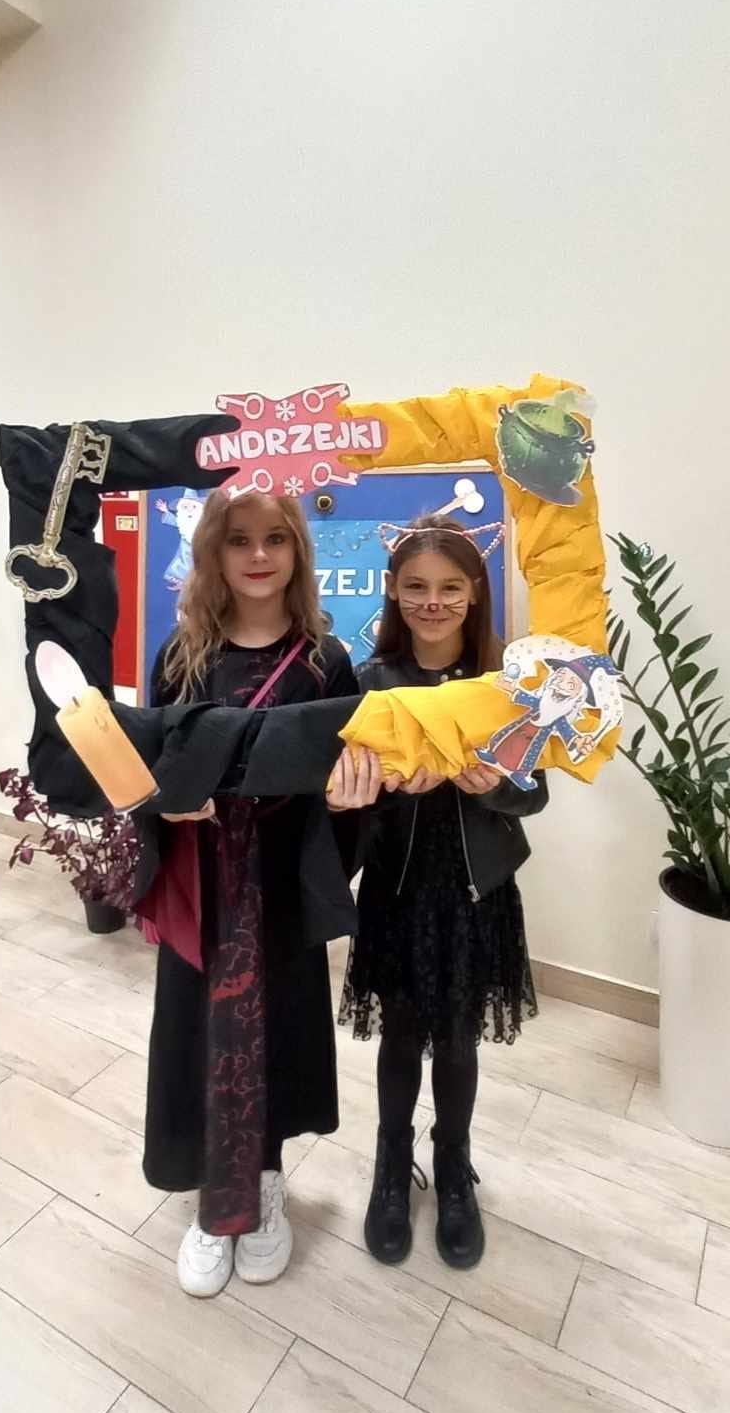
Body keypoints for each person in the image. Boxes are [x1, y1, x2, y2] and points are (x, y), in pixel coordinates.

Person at [143, 489, 363, 1299]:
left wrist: (349, 803)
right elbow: (146, 771)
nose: (260, 555)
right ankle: (214, 1200)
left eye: (277, 538)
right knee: (197, 1033)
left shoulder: (325, 664)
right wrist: (166, 803)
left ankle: (263, 1182)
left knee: (279, 1032)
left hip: (281, 884)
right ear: (213, 551)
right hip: (202, 885)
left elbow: (342, 789)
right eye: (240, 540)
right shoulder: (181, 658)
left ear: (299, 550)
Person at [329, 514, 547, 1271]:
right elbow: (347, 797)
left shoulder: (508, 688)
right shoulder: (370, 685)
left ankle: (453, 1165)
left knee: (457, 1039)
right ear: (393, 591)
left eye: (450, 587)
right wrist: (388, 792)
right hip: (397, 887)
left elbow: (535, 794)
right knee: (399, 1034)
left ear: (475, 592)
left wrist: (493, 788)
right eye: (416, 586)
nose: (433, 602)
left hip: (476, 889)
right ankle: (392, 1165)